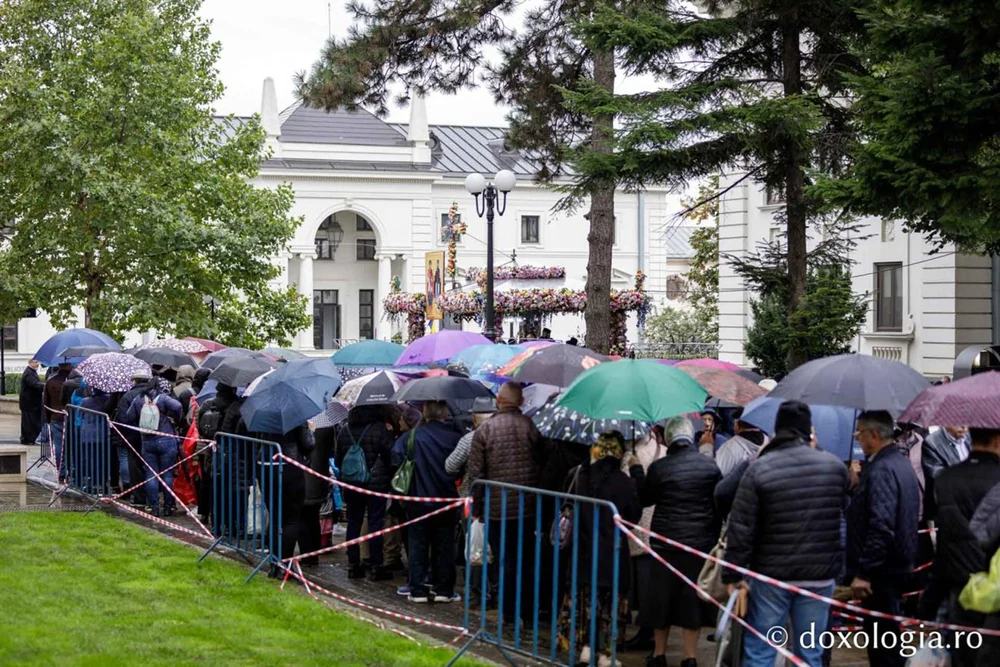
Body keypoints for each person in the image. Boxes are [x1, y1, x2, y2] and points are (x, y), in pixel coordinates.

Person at [722, 401, 849, 667]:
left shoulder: (758, 468)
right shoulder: (834, 468)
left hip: (771, 575)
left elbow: (741, 526)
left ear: (778, 428)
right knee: (810, 653)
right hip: (818, 575)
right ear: (808, 431)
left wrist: (733, 574)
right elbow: (840, 519)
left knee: (761, 650)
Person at [640, 417, 722, 667]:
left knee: (660, 597)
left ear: (669, 438)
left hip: (666, 540)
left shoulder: (660, 468)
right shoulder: (710, 467)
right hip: (699, 542)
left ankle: (659, 654)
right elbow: (717, 501)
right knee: (691, 599)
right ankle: (690, 657)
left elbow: (646, 498)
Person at [557, 431, 643, 666]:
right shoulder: (622, 481)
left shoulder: (577, 475)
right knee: (609, 603)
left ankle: (585, 649)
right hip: (612, 554)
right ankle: (605, 654)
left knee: (585, 600)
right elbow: (633, 517)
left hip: (582, 553)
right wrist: (637, 472)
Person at [467, 382, 548, 622]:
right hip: (528, 508)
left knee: (504, 561)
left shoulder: (485, 430)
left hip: (497, 509)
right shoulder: (531, 427)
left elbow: (476, 474)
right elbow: (542, 462)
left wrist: (478, 508)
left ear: (498, 401)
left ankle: (508, 612)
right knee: (526, 560)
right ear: (521, 402)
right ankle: (526, 610)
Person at [847, 410, 920, 667]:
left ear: (874, 434)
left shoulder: (882, 469)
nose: (858, 440)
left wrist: (864, 572)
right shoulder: (898, 463)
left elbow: (882, 525)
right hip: (895, 567)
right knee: (887, 641)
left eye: (860, 433)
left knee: (883, 647)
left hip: (882, 573)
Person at [929, 427, 1000, 667]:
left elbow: (944, 543)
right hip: (995, 591)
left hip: (961, 590)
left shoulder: (945, 479)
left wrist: (931, 597)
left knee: (963, 657)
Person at [392, 400, 462, 603]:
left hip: (418, 498)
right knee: (446, 545)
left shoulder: (411, 437)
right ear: (445, 414)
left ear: (425, 413)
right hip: (447, 499)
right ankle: (444, 589)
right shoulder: (455, 438)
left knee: (418, 544)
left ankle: (417, 589)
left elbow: (396, 459)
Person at [335, 405, 396, 581]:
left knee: (353, 522)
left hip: (352, 484)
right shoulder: (380, 429)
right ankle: (377, 566)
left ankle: (353, 565)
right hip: (376, 484)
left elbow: (339, 459)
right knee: (376, 523)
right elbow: (390, 456)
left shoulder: (345, 430)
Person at [623, 426, 666, 653]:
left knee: (638, 581)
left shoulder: (628, 455)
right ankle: (646, 629)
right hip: (656, 524)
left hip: (634, 522)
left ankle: (643, 630)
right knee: (648, 581)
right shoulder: (663, 451)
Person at [257, 423, 314, 577]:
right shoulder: (296, 416)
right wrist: (310, 430)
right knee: (290, 519)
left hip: (266, 465)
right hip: (290, 466)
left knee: (275, 516)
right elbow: (308, 445)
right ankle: (285, 565)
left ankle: (275, 564)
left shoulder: (265, 411)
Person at [125, 378, 183, 517]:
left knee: (151, 475)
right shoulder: (163, 398)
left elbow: (129, 416)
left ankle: (154, 507)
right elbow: (178, 406)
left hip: (147, 440)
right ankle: (168, 507)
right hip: (166, 438)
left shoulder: (139, 399)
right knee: (167, 474)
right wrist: (175, 418)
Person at [445, 397, 496, 496]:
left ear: (474, 418)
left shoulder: (468, 439)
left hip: (471, 495)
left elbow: (450, 466)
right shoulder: (501, 437)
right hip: (499, 496)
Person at [19, 359, 44, 445]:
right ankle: (28, 439)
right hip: (28, 403)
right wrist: (46, 386)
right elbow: (35, 384)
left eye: (37, 362)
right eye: (35, 362)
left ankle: (31, 438)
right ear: (30, 363)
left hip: (32, 403)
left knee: (32, 421)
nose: (37, 364)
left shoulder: (31, 372)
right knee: (29, 422)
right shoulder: (28, 373)